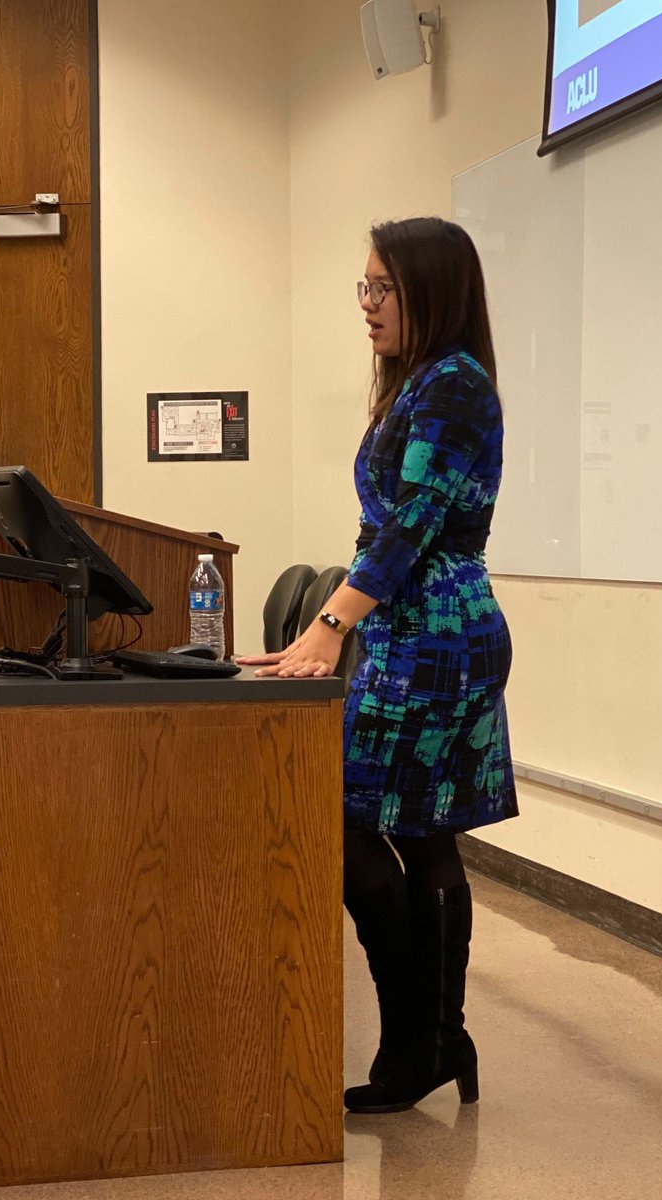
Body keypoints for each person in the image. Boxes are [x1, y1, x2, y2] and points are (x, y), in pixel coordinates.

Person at [238, 216, 517, 1114]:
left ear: (429, 292)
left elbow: (413, 524)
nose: (367, 307)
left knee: (353, 822)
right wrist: (325, 631)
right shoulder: (420, 382)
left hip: (437, 636)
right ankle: (434, 1041)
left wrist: (329, 623)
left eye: (381, 289)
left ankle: (418, 1043)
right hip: (410, 629)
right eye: (363, 288)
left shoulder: (456, 386)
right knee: (422, 833)